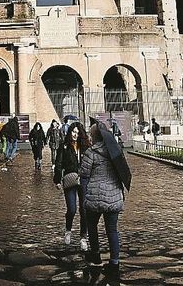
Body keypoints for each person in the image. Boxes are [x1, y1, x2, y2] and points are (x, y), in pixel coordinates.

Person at [80, 120, 132, 280]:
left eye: (90, 134)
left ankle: (96, 256)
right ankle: (114, 263)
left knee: (92, 226)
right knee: (112, 230)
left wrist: (84, 196)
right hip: (113, 196)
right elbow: (122, 171)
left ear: (95, 136)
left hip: (95, 196)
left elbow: (84, 176)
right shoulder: (115, 152)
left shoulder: (91, 153)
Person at [53, 121, 90, 250]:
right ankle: (68, 230)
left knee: (84, 210)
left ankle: (83, 237)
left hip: (83, 179)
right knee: (72, 209)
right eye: (74, 132)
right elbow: (59, 163)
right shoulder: (64, 146)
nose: (75, 135)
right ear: (70, 132)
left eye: (77, 133)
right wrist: (57, 180)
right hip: (70, 179)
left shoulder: (85, 147)